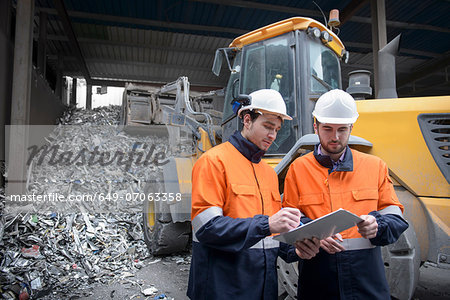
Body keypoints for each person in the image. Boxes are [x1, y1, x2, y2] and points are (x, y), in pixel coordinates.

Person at [187, 89, 319, 299]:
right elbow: (206, 227)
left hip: (262, 288)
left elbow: (272, 236)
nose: (272, 135)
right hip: (221, 288)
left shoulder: (268, 173)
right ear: (247, 120)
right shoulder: (214, 162)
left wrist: (296, 250)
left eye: (276, 129)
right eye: (267, 126)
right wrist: (267, 224)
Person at [283, 89, 409, 299]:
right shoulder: (298, 169)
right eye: (327, 129)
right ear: (315, 126)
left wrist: (378, 225)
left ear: (351, 127)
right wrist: (314, 236)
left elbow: (395, 219)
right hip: (318, 279)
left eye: (342, 129)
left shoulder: (375, 166)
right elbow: (289, 224)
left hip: (366, 280)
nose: (335, 137)